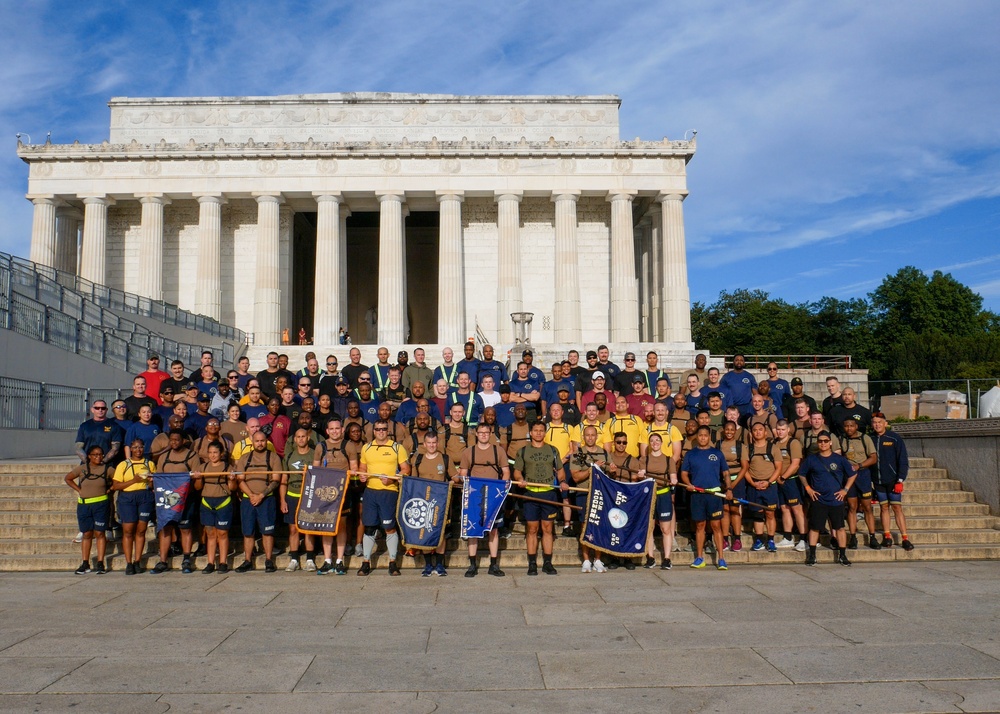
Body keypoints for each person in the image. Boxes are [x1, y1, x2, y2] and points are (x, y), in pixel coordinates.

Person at [513, 421, 568, 575]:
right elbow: (517, 472)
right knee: (532, 529)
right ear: (530, 432)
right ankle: (532, 563)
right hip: (530, 493)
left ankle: (548, 563)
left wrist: (563, 482)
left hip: (549, 492)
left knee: (547, 528)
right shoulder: (523, 451)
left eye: (541, 430)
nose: (538, 433)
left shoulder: (552, 450)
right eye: (535, 430)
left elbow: (560, 471)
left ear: (545, 433)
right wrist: (520, 480)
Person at [357, 420, 410, 576]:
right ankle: (366, 562)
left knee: (389, 527)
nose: (381, 431)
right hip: (370, 492)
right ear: (374, 431)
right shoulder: (366, 448)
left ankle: (393, 563)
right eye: (378, 429)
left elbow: (406, 470)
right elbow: (362, 467)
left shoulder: (397, 447)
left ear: (388, 431)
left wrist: (393, 478)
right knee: (369, 526)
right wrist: (361, 475)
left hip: (389, 492)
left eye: (383, 429)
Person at [459, 423, 511, 577]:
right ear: (476, 433)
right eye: (480, 432)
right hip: (475, 496)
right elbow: (463, 473)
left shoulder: (498, 450)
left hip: (494, 496)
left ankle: (493, 565)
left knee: (494, 530)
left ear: (490, 434)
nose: (483, 435)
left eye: (486, 433)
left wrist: (502, 487)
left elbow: (506, 472)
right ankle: (472, 565)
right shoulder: (469, 452)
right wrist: (466, 482)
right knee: (472, 529)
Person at [799, 430, 856, 566]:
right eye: (820, 441)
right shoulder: (812, 459)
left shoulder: (839, 459)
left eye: (825, 441)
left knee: (840, 527)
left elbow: (852, 474)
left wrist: (845, 490)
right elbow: (801, 474)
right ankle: (812, 555)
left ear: (830, 442)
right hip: (819, 499)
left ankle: (842, 555)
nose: (823, 443)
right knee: (815, 528)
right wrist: (808, 488)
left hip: (836, 499)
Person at [679, 425, 731, 570]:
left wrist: (729, 488)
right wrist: (688, 484)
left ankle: (721, 558)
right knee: (700, 526)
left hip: (714, 494)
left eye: (705, 435)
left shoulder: (717, 453)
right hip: (697, 495)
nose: (702, 437)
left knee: (716, 526)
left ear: (709, 437)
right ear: (697, 437)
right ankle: (700, 557)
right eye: (700, 435)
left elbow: (726, 473)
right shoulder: (691, 454)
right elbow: (684, 473)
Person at [313, 418, 360, 574]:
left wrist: (351, 473)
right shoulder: (321, 446)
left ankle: (339, 561)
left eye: (337, 428)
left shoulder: (349, 446)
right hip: (325, 493)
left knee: (341, 526)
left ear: (341, 430)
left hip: (342, 492)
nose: (334, 431)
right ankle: (327, 560)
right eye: (331, 429)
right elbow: (316, 470)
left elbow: (354, 467)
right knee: (326, 526)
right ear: (327, 431)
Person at [152, 430, 200, 574]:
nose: (174, 442)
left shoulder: (192, 456)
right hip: (167, 499)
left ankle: (186, 559)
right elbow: (158, 476)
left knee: (185, 529)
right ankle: (163, 561)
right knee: (165, 529)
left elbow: (196, 479)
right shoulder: (163, 457)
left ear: (183, 441)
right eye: (171, 440)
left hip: (186, 498)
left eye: (177, 440)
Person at [234, 431, 281, 572]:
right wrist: (251, 495)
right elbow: (240, 480)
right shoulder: (244, 458)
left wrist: (261, 495)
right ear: (252, 442)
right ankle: (247, 560)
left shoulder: (273, 457)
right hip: (248, 500)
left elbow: (276, 479)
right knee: (248, 532)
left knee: (267, 531)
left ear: (266, 441)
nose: (260, 443)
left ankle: (268, 560)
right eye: (257, 441)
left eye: (262, 441)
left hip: (267, 499)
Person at [736, 422, 784, 552]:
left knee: (770, 513)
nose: (757, 432)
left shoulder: (773, 448)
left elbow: (778, 468)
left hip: (770, 485)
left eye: (760, 430)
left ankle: (771, 539)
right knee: (757, 514)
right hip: (754, 485)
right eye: (755, 430)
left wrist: (768, 482)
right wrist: (753, 483)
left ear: (766, 432)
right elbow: (744, 468)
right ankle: (759, 539)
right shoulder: (747, 449)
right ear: (751, 433)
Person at [111, 438, 155, 574]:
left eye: (140, 447)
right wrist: (133, 480)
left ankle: (137, 560)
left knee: (141, 530)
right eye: (135, 447)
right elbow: (116, 485)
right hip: (127, 497)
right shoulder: (124, 464)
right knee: (128, 530)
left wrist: (151, 481)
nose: (138, 450)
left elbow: (154, 484)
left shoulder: (150, 464)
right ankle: (128, 562)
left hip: (144, 497)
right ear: (130, 449)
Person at [66, 446, 113, 574]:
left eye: (100, 454)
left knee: (100, 533)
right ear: (89, 456)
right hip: (84, 506)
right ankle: (85, 563)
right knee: (87, 534)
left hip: (101, 505)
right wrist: (79, 490)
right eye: (95, 455)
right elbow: (68, 478)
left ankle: (100, 563)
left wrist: (110, 490)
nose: (98, 457)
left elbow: (117, 480)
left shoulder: (107, 469)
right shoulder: (82, 469)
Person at [871, 411, 913, 551]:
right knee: (883, 508)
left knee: (897, 508)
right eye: (875, 422)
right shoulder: (870, 439)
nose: (877, 425)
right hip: (878, 481)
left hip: (893, 480)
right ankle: (887, 536)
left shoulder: (894, 438)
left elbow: (903, 460)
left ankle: (905, 538)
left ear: (885, 424)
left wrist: (900, 479)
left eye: (879, 422)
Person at [192, 441, 236, 574]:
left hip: (223, 502)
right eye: (210, 452)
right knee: (210, 534)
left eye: (215, 452)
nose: (212, 455)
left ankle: (223, 562)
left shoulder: (228, 467)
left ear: (221, 453)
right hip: (206, 503)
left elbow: (232, 489)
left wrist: (232, 479)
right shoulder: (203, 467)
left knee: (222, 533)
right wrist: (198, 478)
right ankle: (210, 562)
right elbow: (197, 488)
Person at [571, 425, 610, 572]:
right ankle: (586, 559)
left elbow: (610, 474)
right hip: (583, 492)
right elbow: (575, 477)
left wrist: (611, 469)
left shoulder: (604, 453)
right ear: (583, 436)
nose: (590, 437)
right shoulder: (577, 454)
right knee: (584, 526)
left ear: (597, 436)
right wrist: (591, 469)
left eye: (593, 435)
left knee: (599, 525)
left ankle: (598, 559)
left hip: (600, 494)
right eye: (587, 435)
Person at [637, 433, 678, 570]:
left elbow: (673, 476)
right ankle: (650, 557)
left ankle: (667, 558)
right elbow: (641, 476)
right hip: (649, 496)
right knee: (649, 528)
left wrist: (674, 480)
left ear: (662, 442)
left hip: (664, 495)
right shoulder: (644, 459)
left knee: (665, 529)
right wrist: (641, 476)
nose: (655, 443)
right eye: (652, 441)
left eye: (657, 440)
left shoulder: (668, 460)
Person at [281, 428, 317, 572]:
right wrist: (283, 500)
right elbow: (284, 479)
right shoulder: (289, 456)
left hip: (309, 496)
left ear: (308, 438)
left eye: (303, 436)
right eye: (298, 437)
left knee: (308, 528)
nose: (301, 439)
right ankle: (294, 559)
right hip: (292, 495)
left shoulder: (315, 455)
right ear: (294, 439)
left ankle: (309, 559)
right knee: (293, 529)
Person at [839, 417, 879, 549]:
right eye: (846, 426)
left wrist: (859, 466)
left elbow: (873, 458)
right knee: (851, 507)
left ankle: (872, 536)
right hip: (849, 476)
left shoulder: (865, 438)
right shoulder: (842, 439)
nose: (849, 428)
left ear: (856, 426)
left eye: (851, 426)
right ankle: (853, 537)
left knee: (867, 507)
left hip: (863, 474)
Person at [772, 420, 808, 551]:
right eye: (778, 429)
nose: (780, 432)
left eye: (783, 429)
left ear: (788, 430)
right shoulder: (774, 443)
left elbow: (796, 463)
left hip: (791, 480)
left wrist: (783, 477)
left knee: (797, 509)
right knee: (784, 508)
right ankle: (788, 537)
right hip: (779, 481)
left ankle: (804, 539)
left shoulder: (793, 443)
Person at [75, 400, 123, 467]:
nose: (100, 410)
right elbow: (78, 448)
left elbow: (115, 449)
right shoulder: (84, 426)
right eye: (97, 408)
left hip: (107, 466)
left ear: (106, 410)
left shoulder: (114, 426)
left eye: (103, 408)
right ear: (92, 410)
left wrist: (103, 462)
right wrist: (88, 462)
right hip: (87, 466)